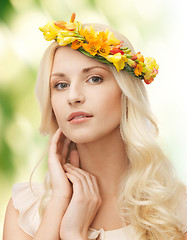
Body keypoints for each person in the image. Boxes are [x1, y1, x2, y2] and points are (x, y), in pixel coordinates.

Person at [3, 13, 187, 240]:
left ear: (125, 92)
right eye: (61, 85)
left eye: (94, 79)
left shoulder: (177, 209)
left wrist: (73, 234)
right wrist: (58, 204)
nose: (73, 96)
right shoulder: (25, 210)